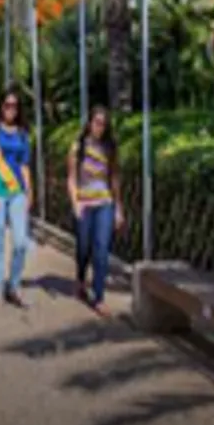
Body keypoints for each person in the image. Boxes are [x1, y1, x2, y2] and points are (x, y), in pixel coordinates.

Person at [67, 106, 124, 315]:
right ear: (89, 123)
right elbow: (71, 179)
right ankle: (81, 278)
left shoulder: (109, 148)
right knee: (83, 247)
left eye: (103, 124)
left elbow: (114, 178)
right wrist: (75, 202)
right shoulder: (78, 147)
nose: (99, 127)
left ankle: (99, 296)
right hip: (84, 203)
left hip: (104, 202)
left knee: (101, 249)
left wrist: (118, 207)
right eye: (96, 122)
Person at [0, 90, 34, 308]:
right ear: (1, 106)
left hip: (17, 192)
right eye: (7, 105)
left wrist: (29, 191)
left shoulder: (23, 134)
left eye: (14, 105)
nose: (11, 109)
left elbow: (24, 164)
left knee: (21, 242)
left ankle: (14, 284)